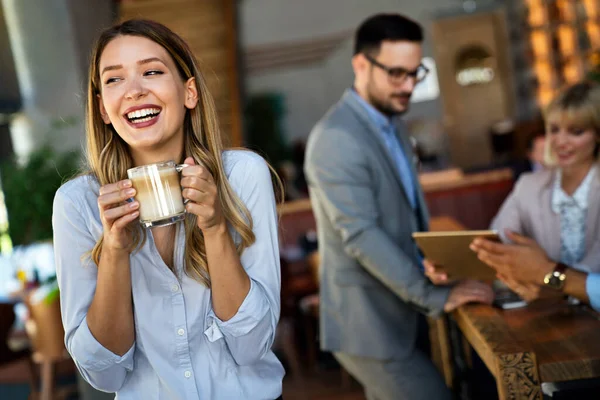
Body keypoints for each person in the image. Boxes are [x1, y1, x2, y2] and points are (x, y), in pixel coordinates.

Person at [52, 20, 284, 399]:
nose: (134, 90)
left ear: (188, 92)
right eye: (114, 80)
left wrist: (214, 227)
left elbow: (252, 346)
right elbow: (105, 375)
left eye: (152, 71)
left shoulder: (241, 176)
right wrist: (113, 249)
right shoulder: (77, 204)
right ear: (103, 110)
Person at [303, 13, 493, 400]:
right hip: (368, 323)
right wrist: (433, 296)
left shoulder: (393, 123)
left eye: (415, 72)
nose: (408, 86)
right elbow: (361, 235)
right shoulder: (336, 137)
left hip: (400, 311)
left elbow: (402, 217)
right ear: (360, 64)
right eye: (396, 74)